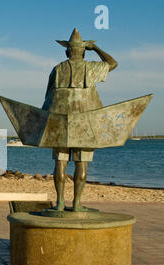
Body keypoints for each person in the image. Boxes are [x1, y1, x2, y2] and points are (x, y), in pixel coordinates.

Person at [41, 28, 118, 211]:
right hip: (85, 123)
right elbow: (112, 63)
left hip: (59, 122)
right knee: (81, 162)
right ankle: (76, 204)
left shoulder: (58, 69)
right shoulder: (91, 68)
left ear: (67, 51)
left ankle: (60, 203)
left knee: (60, 162)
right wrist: (96, 48)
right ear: (83, 51)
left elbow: (48, 96)